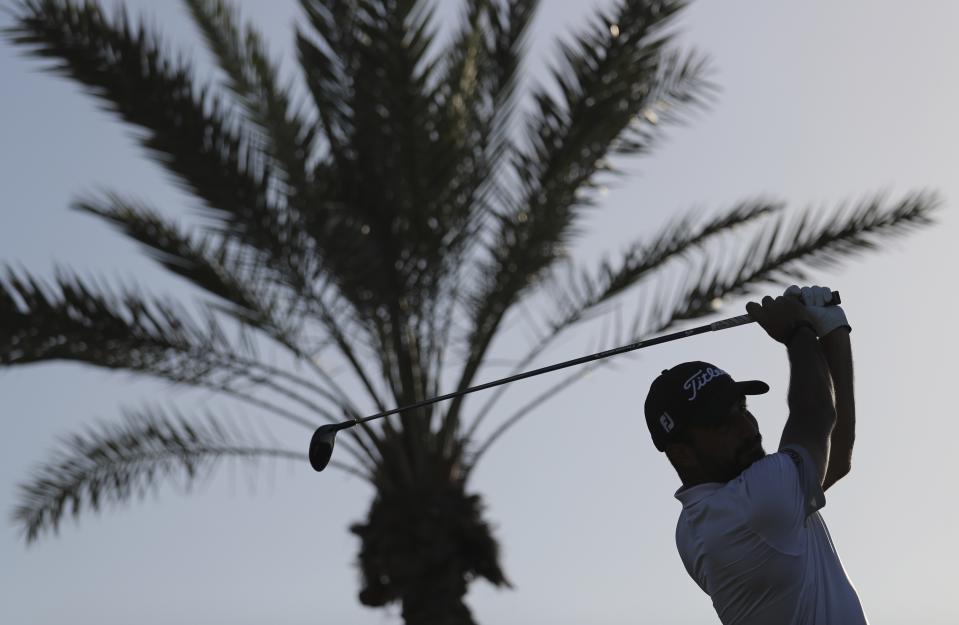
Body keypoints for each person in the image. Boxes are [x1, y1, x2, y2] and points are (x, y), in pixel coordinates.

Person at [643, 285, 867, 624]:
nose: (747, 427)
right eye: (722, 422)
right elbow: (816, 413)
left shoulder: (695, 526)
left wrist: (832, 330)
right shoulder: (748, 509)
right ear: (681, 453)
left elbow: (835, 457)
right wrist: (798, 330)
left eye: (741, 408)